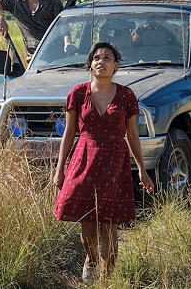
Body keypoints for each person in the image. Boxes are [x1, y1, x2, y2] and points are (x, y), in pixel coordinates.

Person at [53, 41, 154, 283]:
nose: (101, 61)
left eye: (107, 58)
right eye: (96, 57)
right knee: (86, 223)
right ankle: (90, 258)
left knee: (109, 224)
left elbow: (132, 135)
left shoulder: (127, 96)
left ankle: (108, 280)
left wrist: (141, 169)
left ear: (116, 66)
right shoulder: (77, 94)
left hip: (114, 163)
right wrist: (59, 170)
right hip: (82, 161)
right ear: (90, 64)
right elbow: (68, 134)